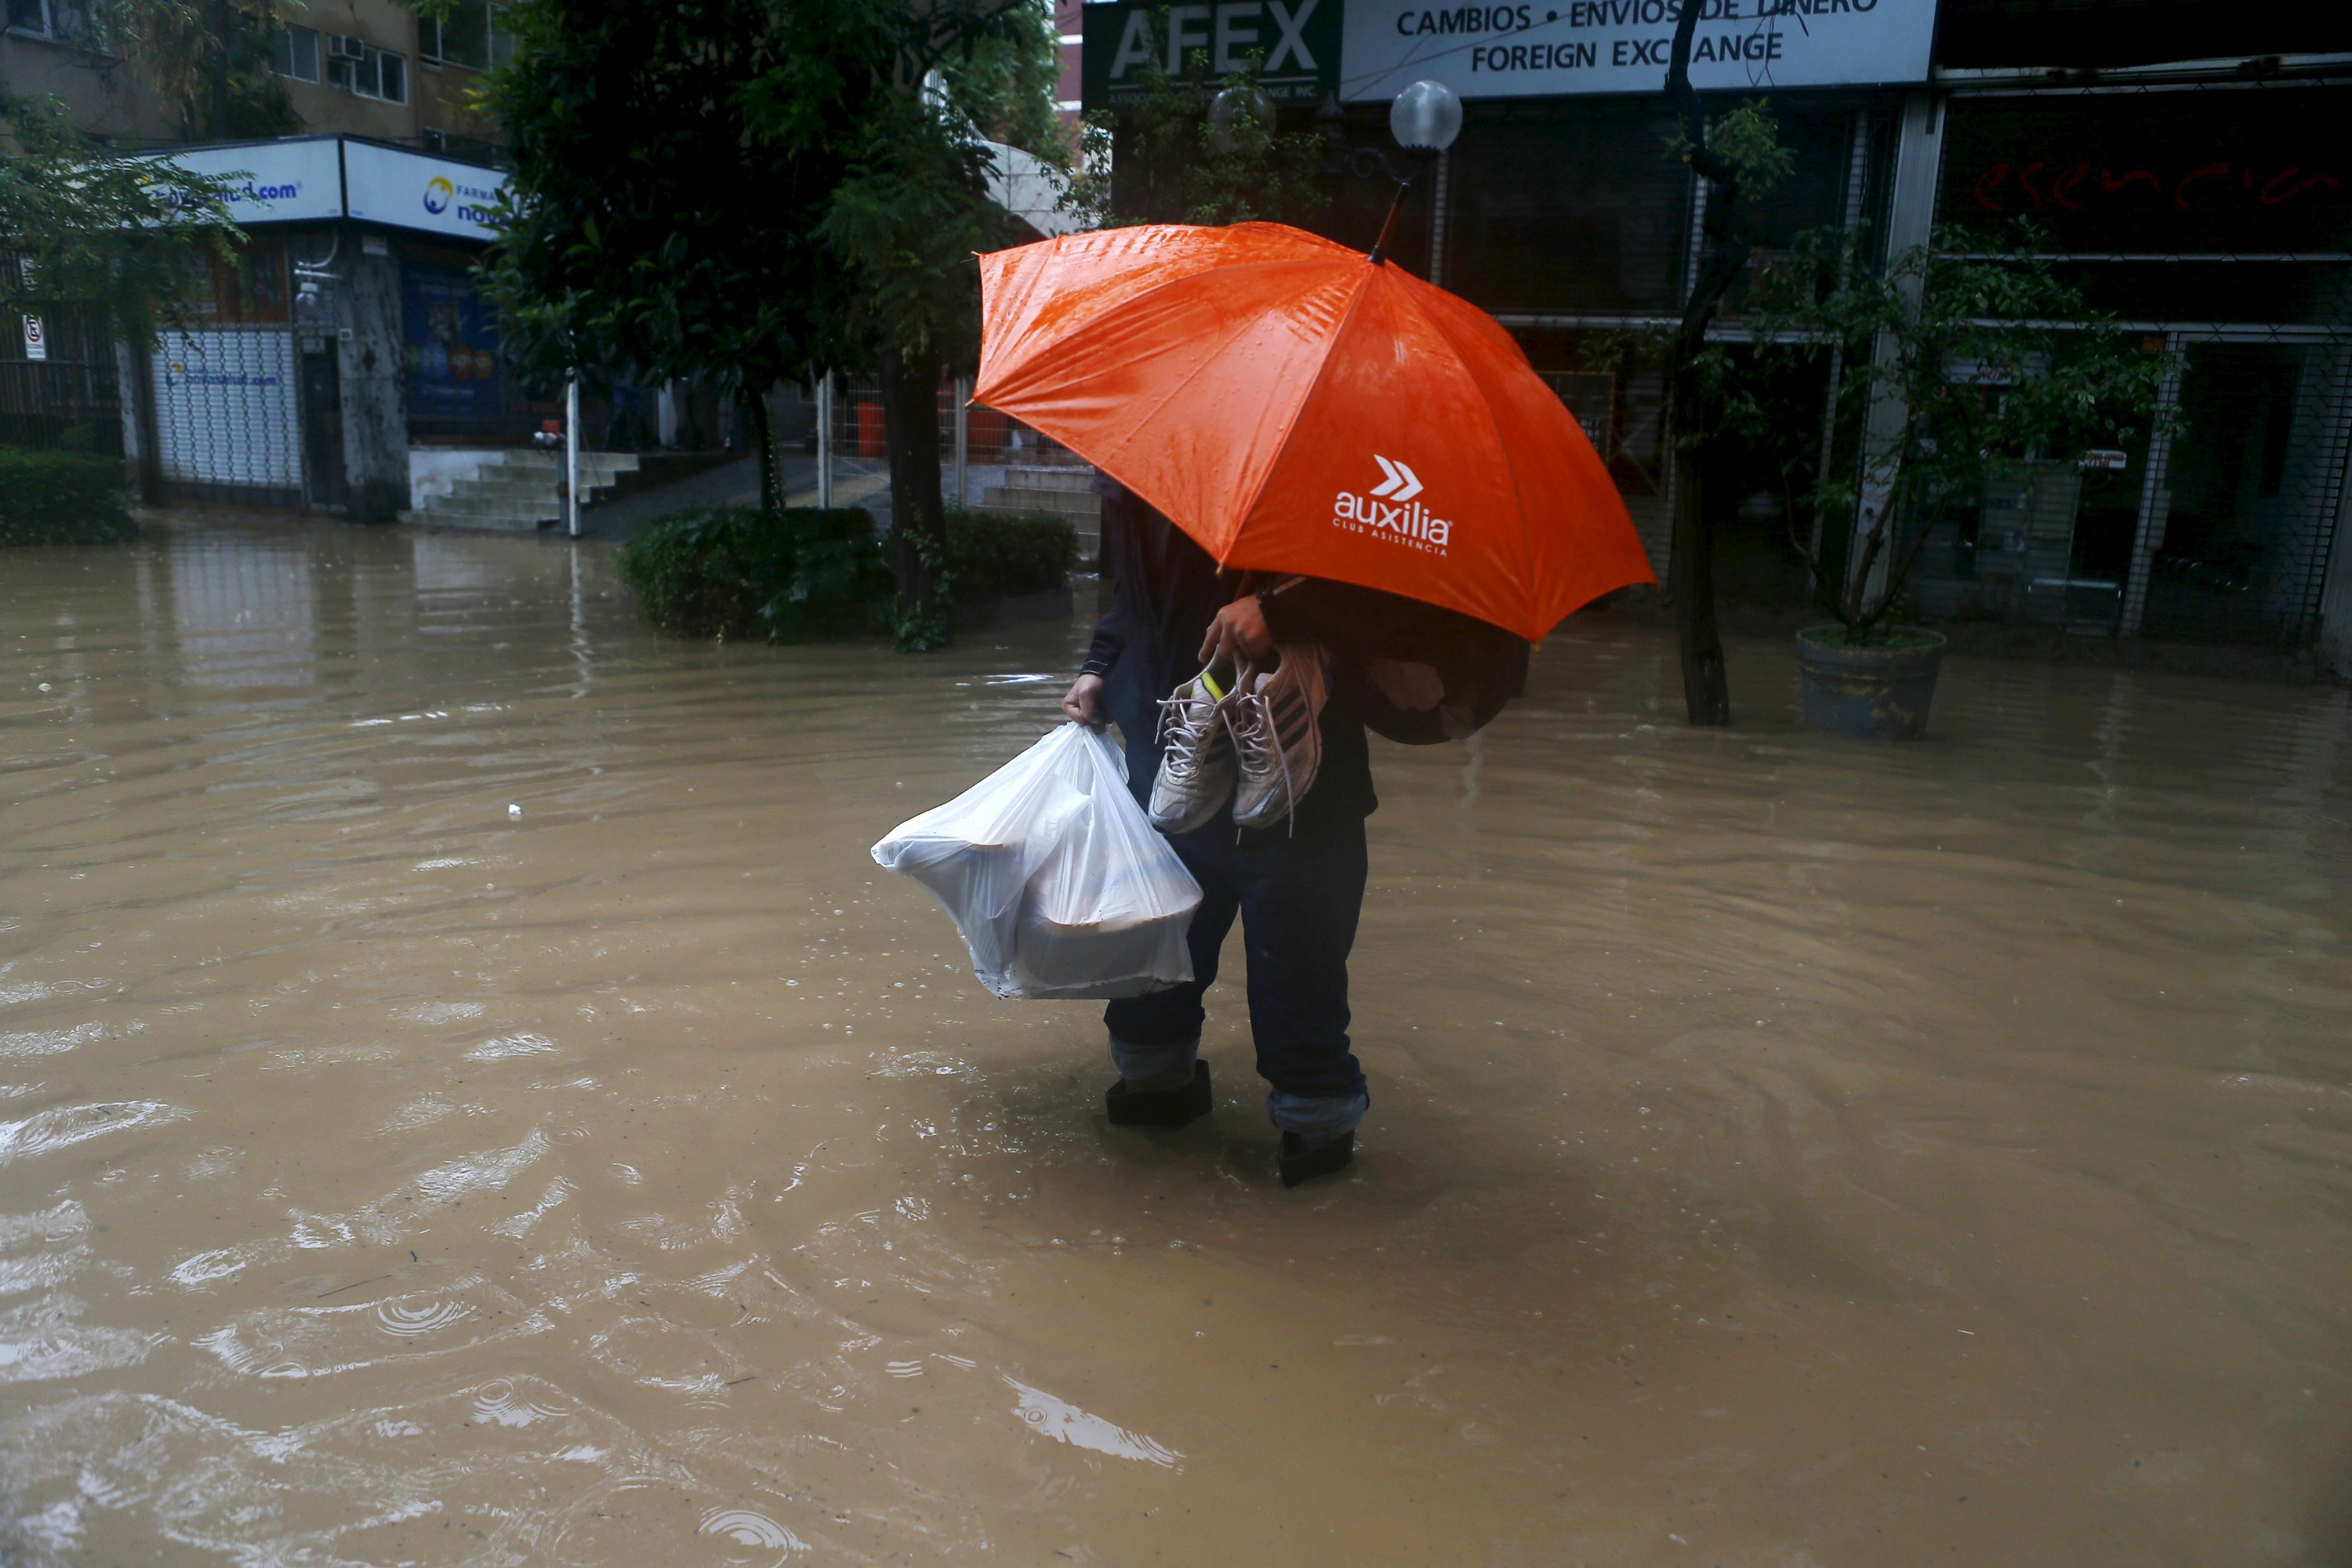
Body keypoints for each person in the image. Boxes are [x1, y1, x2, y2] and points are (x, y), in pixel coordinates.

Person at [1060, 478, 1526, 1188]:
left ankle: (1317, 1160)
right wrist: (1101, 666)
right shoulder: (1144, 474)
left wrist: (1284, 608)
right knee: (1148, 993)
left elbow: (1427, 595)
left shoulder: (1350, 472)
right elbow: (1138, 597)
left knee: (1300, 1002)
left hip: (1299, 780)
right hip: (1166, 760)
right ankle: (1157, 1135)